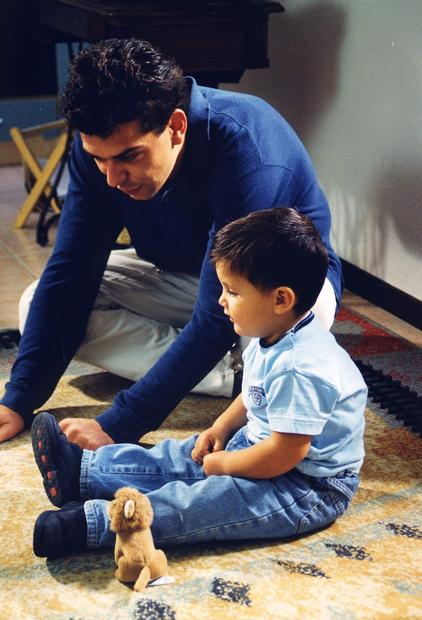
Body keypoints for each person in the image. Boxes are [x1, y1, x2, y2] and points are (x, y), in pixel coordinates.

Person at [0, 39, 342, 448]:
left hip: (267, 291)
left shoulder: (246, 145)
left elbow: (218, 311)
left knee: (297, 325)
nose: (111, 178)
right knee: (37, 303)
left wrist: (120, 423)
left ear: (177, 127)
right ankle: (233, 375)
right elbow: (72, 267)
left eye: (129, 157)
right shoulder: (102, 150)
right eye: (98, 159)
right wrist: (17, 400)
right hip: (181, 276)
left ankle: (244, 365)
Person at [31, 208, 366, 559]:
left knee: (203, 502)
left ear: (281, 299)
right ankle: (83, 472)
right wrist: (221, 427)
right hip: (263, 446)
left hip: (306, 486)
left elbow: (286, 453)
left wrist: (227, 466)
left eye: (232, 291)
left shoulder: (302, 367)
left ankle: (90, 525)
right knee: (181, 456)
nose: (221, 300)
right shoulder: (271, 333)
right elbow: (255, 392)